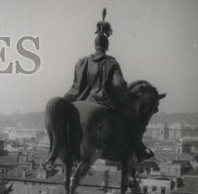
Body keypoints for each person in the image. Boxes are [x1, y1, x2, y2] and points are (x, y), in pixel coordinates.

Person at [63, 10, 154, 162]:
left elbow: (76, 86)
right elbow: (120, 85)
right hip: (103, 101)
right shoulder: (111, 63)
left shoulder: (84, 62)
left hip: (84, 99)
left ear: (95, 45)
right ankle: (139, 149)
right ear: (106, 46)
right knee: (132, 118)